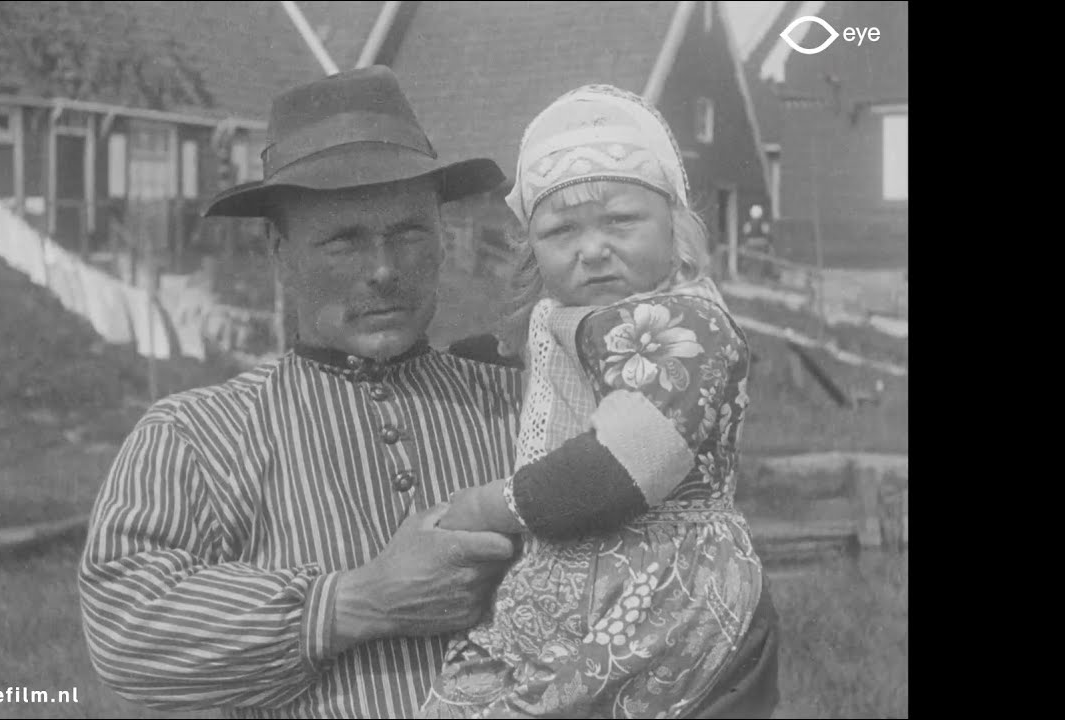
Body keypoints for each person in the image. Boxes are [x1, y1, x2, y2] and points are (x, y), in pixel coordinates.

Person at [79, 66, 524, 718]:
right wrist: (359, 600)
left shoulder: (515, 406)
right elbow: (126, 633)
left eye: (408, 232)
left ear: (442, 238)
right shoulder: (198, 436)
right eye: (344, 240)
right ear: (279, 252)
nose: (383, 270)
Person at [418, 85, 779, 718]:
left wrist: (489, 504)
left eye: (620, 220)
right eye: (561, 231)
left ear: (677, 229)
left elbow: (619, 469)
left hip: (668, 597)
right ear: (533, 252)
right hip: (592, 583)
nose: (592, 248)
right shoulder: (570, 320)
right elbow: (540, 358)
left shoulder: (686, 328)